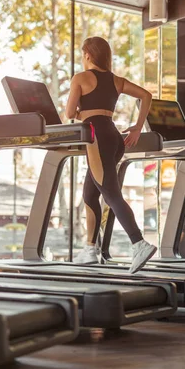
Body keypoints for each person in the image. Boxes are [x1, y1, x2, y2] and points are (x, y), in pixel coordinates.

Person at [65, 36, 156, 274]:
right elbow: (146, 95)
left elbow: (68, 112)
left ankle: (139, 243)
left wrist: (80, 113)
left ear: (87, 55)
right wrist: (137, 127)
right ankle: (90, 250)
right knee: (89, 193)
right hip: (114, 136)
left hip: (96, 136)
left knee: (111, 193)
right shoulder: (116, 80)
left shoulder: (80, 78)